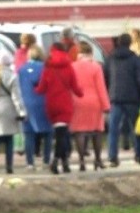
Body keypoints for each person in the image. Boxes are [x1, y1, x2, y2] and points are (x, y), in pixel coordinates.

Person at [104, 33, 140, 166]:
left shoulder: (111, 58)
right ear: (129, 43)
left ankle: (112, 156)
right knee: (137, 127)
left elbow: (105, 76)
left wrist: (109, 92)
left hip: (115, 97)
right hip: (132, 98)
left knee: (113, 128)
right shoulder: (134, 59)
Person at [36, 43, 84, 174]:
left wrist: (33, 89)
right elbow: (76, 88)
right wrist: (81, 92)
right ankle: (56, 161)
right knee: (62, 135)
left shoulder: (47, 67)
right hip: (65, 104)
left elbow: (41, 89)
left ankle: (65, 164)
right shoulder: (69, 67)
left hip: (51, 104)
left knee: (60, 134)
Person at [0, 51, 26, 174]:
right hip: (9, 109)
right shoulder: (12, 76)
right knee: (9, 140)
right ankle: (9, 166)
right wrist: (22, 112)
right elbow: (16, 97)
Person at [71, 42, 109, 171]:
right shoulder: (96, 67)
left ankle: (82, 161)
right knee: (97, 131)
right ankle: (98, 159)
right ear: (90, 53)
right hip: (94, 102)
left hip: (77, 101)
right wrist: (106, 105)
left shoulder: (72, 66)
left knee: (79, 132)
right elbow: (101, 87)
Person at [17, 45, 53, 171]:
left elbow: (19, 88)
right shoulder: (46, 68)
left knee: (29, 134)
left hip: (28, 103)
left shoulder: (21, 70)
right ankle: (46, 160)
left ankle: (30, 163)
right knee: (48, 133)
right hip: (44, 102)